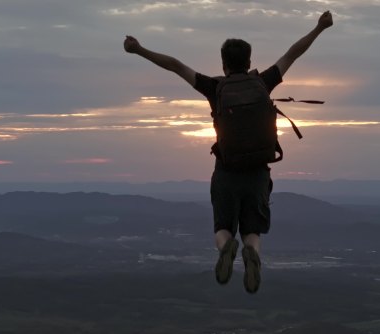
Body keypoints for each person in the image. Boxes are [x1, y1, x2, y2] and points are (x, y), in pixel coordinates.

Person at [124, 10, 333, 293]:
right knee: (252, 230)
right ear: (249, 61)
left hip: (226, 172)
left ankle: (226, 248)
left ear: (223, 64)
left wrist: (138, 50)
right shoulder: (263, 81)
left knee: (223, 227)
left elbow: (174, 65)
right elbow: (293, 53)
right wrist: (319, 27)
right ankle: (253, 254)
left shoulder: (214, 87)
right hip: (258, 171)